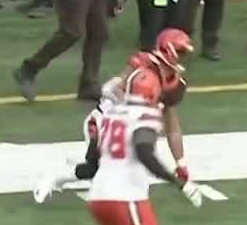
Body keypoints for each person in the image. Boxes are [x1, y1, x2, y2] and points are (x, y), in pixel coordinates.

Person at [77, 69, 204, 225]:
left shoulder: (112, 111)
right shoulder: (146, 114)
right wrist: (179, 182)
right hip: (126, 198)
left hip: (99, 197)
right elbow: (145, 152)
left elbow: (91, 159)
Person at [32, 28, 196, 204]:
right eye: (181, 52)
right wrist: (119, 90)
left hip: (135, 128)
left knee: (132, 170)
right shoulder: (142, 66)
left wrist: (181, 162)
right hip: (107, 121)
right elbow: (112, 89)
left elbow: (172, 124)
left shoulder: (175, 84)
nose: (183, 57)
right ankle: (56, 176)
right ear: (168, 50)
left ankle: (77, 165)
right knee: (99, 170)